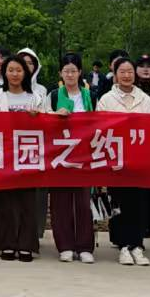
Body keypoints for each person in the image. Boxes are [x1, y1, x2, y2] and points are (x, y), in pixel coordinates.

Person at [0, 56, 46, 260]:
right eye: (10, 70)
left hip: (28, 153)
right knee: (4, 201)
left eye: (19, 70)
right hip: (4, 153)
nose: (14, 74)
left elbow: (47, 123)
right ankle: (7, 244)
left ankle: (26, 244)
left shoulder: (35, 97)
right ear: (4, 72)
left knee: (27, 201)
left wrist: (38, 117)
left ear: (26, 73)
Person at [97, 59, 150, 265]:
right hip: (117, 160)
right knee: (119, 203)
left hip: (139, 160)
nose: (126, 75)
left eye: (130, 71)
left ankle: (137, 245)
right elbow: (101, 127)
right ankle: (123, 245)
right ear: (115, 74)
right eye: (122, 71)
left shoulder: (145, 99)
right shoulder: (106, 99)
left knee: (139, 203)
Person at [48, 52, 98, 264]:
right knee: (61, 202)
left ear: (80, 73)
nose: (70, 75)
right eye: (66, 71)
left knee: (83, 202)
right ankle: (65, 245)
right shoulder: (53, 96)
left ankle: (85, 246)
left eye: (73, 71)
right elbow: (42, 122)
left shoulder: (90, 96)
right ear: (60, 73)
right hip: (60, 155)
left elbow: (100, 121)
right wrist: (55, 116)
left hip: (84, 156)